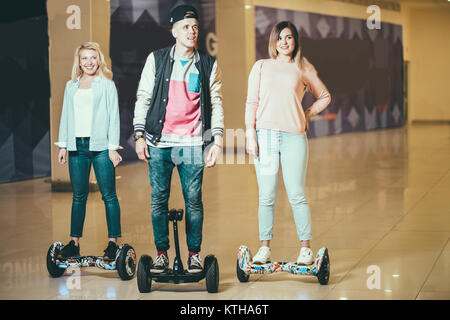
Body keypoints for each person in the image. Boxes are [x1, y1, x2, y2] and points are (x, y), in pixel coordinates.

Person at [133, 4, 224, 273]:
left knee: (193, 199)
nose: (192, 31)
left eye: (195, 27)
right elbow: (143, 97)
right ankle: (161, 253)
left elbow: (216, 104)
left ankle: (194, 254)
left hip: (193, 144)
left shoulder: (208, 64)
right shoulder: (157, 60)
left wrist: (216, 142)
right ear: (173, 31)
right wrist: (139, 135)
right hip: (159, 143)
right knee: (158, 199)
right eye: (185, 27)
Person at [245, 21, 331, 265]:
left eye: (289, 37)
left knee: (296, 194)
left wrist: (306, 114)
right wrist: (250, 134)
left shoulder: (303, 68)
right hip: (266, 136)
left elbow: (324, 96)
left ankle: (305, 249)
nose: (284, 42)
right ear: (273, 41)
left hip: (294, 137)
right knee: (267, 196)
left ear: (295, 41)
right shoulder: (261, 67)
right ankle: (264, 248)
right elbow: (251, 102)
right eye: (279, 37)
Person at [55, 42, 123, 260]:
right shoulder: (71, 86)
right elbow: (65, 115)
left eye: (93, 58)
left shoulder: (107, 85)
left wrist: (113, 148)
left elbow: (114, 118)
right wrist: (63, 145)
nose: (89, 62)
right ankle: (74, 243)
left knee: (109, 196)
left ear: (99, 60)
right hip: (77, 148)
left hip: (101, 147)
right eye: (85, 58)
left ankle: (113, 243)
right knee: (78, 196)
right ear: (79, 61)